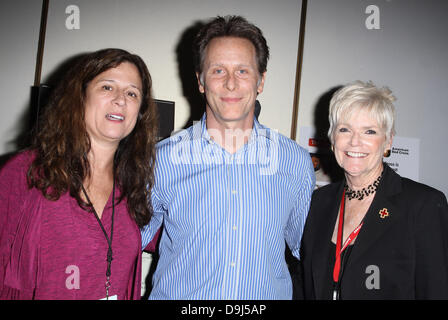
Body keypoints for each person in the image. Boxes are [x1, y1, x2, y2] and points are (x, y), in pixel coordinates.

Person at [141, 15, 315, 300]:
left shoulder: (294, 162)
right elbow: (123, 243)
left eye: (243, 71)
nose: (231, 84)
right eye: (218, 71)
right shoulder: (162, 160)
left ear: (261, 80)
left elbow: (308, 252)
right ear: (200, 80)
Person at [0, 48, 158, 299]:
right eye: (107, 87)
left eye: (132, 93)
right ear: (80, 96)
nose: (121, 99)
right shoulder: (26, 172)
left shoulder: (135, 187)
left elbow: (182, 234)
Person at [299, 80, 448, 299]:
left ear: (388, 141)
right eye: (344, 129)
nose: (354, 142)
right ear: (332, 140)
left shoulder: (422, 205)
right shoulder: (318, 202)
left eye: (369, 131)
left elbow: (436, 291)